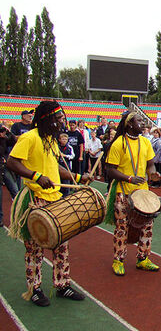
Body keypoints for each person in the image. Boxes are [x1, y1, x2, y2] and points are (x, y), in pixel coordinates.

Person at [7, 100, 89, 307]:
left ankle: (62, 284)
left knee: (61, 244)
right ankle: (34, 289)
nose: (61, 122)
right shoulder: (29, 137)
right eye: (58, 118)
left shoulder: (51, 140)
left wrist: (78, 177)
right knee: (35, 247)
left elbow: (54, 168)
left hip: (54, 198)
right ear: (46, 119)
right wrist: (36, 176)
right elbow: (12, 162)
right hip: (35, 199)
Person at [105, 111, 161, 276]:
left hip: (143, 193)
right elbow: (110, 170)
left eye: (143, 121)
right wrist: (129, 178)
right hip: (124, 192)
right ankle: (118, 260)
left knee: (147, 226)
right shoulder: (118, 144)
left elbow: (150, 164)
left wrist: (152, 173)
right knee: (122, 227)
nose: (143, 123)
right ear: (129, 124)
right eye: (139, 121)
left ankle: (143, 258)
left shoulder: (145, 142)